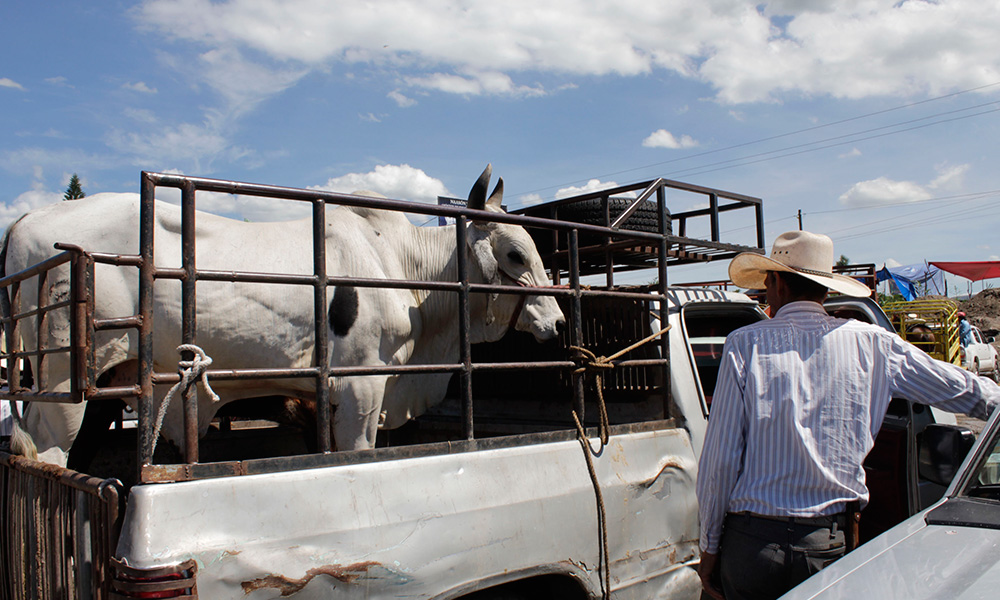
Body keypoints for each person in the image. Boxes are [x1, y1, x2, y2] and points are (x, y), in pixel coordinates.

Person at [696, 230, 1000, 600]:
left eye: (766, 282)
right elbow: (969, 393)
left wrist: (709, 546)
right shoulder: (874, 343)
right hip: (827, 545)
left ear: (776, 283)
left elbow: (720, 460)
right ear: (825, 288)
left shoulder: (744, 343)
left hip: (751, 545)